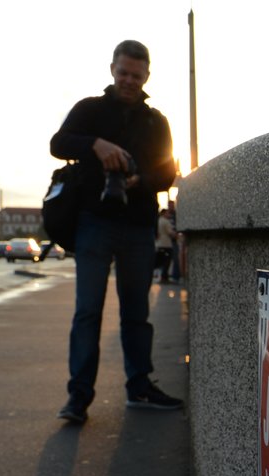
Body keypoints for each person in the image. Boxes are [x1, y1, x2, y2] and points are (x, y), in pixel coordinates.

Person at [50, 39, 182, 424]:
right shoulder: (89, 109)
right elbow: (58, 144)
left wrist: (138, 177)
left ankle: (140, 386)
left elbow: (167, 173)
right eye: (123, 72)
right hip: (93, 221)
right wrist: (96, 144)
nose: (128, 80)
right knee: (87, 312)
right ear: (112, 69)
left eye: (136, 75)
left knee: (136, 313)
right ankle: (78, 398)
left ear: (147, 76)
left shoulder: (157, 121)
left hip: (138, 225)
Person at [154, 207, 175, 283]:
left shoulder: (158, 221)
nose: (169, 215)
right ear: (163, 213)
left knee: (161, 261)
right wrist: (176, 235)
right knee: (166, 262)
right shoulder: (166, 222)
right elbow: (170, 233)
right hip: (166, 244)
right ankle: (164, 277)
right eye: (167, 213)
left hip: (159, 244)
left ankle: (162, 277)